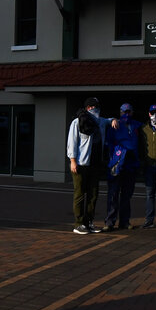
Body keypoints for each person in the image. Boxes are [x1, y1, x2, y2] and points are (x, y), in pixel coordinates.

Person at [67, 96, 113, 234]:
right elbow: (72, 142)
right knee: (80, 193)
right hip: (81, 163)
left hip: (95, 163)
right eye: (92, 106)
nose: (95, 109)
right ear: (87, 108)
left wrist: (114, 120)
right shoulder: (77, 122)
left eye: (97, 106)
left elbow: (108, 121)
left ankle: (89, 222)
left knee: (93, 194)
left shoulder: (100, 121)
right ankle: (78, 224)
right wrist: (73, 161)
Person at [104, 103, 141, 231]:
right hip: (117, 164)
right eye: (124, 112)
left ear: (132, 112)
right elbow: (108, 145)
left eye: (129, 112)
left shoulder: (136, 126)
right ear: (120, 112)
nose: (126, 114)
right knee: (113, 194)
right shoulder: (114, 126)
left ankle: (124, 221)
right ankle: (110, 222)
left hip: (131, 165)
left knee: (126, 195)